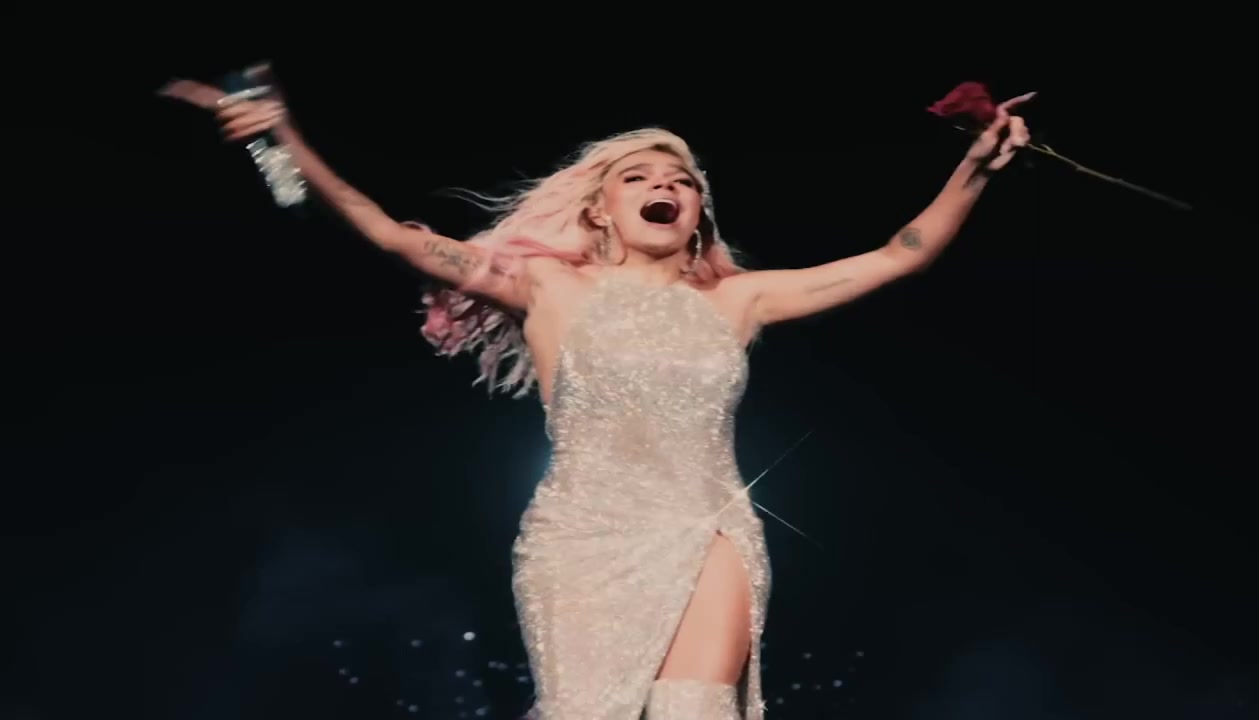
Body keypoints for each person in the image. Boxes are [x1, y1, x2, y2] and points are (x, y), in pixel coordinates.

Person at [161, 69, 1033, 719]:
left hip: (709, 526)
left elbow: (902, 253)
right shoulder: (547, 289)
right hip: (582, 537)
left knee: (695, 713)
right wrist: (285, 139)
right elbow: (393, 237)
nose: (665, 188)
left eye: (682, 183)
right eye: (640, 178)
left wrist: (977, 165)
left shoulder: (738, 300)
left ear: (698, 215)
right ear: (600, 211)